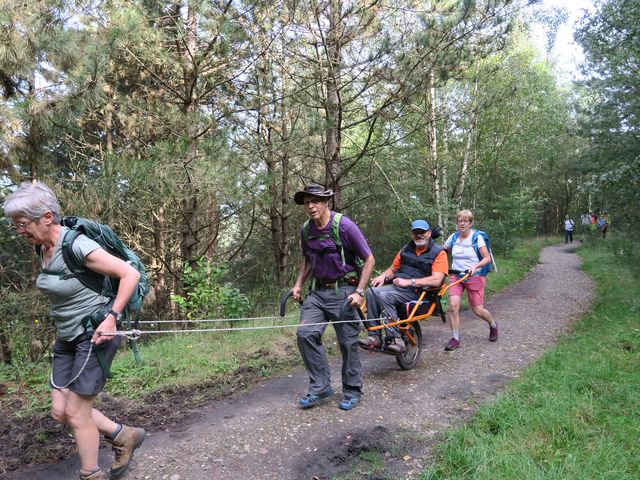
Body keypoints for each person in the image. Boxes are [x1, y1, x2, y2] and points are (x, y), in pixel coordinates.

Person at [4, 182, 146, 480]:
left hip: (95, 334)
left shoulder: (78, 246)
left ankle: (90, 474)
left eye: (22, 224)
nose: (19, 230)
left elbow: (129, 273)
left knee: (77, 412)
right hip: (67, 335)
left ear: (46, 217)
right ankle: (123, 435)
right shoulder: (41, 246)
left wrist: (112, 317)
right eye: (14, 225)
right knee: (60, 411)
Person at [291, 184, 375, 411]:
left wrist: (359, 291)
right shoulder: (306, 230)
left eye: (315, 201)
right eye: (307, 202)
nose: (310, 206)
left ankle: (352, 391)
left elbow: (369, 259)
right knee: (306, 334)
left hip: (344, 292)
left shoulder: (344, 226)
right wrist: (298, 284)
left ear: (326, 202)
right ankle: (320, 387)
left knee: (348, 343)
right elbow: (308, 259)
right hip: (318, 293)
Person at [359, 219, 448, 353]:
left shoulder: (439, 252)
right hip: (399, 289)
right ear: (411, 234)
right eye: (416, 232)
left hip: (419, 292)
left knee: (384, 296)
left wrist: (410, 282)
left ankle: (396, 340)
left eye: (422, 232)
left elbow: (437, 280)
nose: (419, 235)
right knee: (372, 292)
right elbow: (393, 269)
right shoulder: (406, 249)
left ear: (429, 233)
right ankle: (374, 337)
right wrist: (383, 276)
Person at [442, 209, 498, 351]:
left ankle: (493, 324)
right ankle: (455, 338)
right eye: (460, 221)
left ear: (470, 223)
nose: (462, 223)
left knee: (477, 310)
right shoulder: (453, 237)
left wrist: (475, 266)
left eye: (465, 221)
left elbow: (486, 258)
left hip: (474, 276)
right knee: (453, 306)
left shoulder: (476, 237)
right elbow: (442, 251)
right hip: (456, 275)